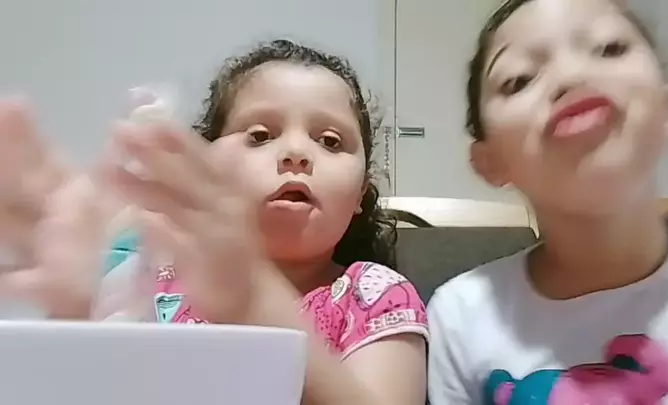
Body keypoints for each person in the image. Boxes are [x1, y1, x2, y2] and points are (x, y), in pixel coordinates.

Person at [0, 39, 428, 405]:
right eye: (260, 135)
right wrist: (71, 312)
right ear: (207, 165)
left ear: (360, 194)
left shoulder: (377, 297)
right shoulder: (150, 284)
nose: (296, 154)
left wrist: (251, 297)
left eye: (330, 141)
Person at [428, 0, 668, 404]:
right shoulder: (461, 317)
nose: (571, 75)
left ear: (667, 108)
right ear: (489, 161)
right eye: (519, 80)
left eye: (609, 48)